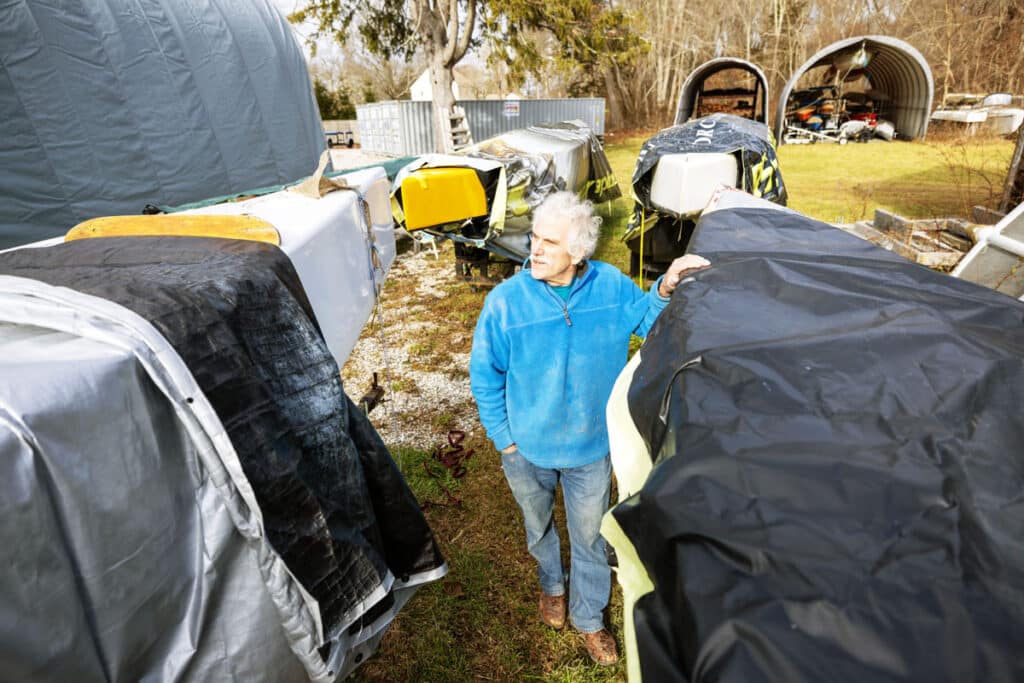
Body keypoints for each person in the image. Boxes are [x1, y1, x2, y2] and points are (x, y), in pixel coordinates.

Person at [469, 191, 710, 666]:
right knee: (538, 529)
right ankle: (552, 587)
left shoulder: (610, 286)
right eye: (535, 237)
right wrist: (506, 440)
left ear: (577, 253)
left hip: (590, 449)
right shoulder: (505, 303)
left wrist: (666, 286)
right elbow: (484, 373)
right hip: (526, 449)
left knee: (591, 538)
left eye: (549, 242)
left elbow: (645, 318)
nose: (534, 249)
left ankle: (588, 617)